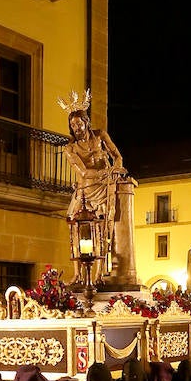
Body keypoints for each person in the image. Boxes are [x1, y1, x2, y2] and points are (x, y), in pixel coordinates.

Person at [60, 97, 127, 285]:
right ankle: (78, 275)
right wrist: (106, 172)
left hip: (105, 188)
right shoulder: (70, 148)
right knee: (75, 227)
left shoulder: (100, 135)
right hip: (85, 190)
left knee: (102, 229)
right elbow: (83, 171)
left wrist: (117, 167)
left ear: (86, 122)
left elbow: (117, 155)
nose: (76, 128)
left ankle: (98, 274)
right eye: (72, 125)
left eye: (79, 123)